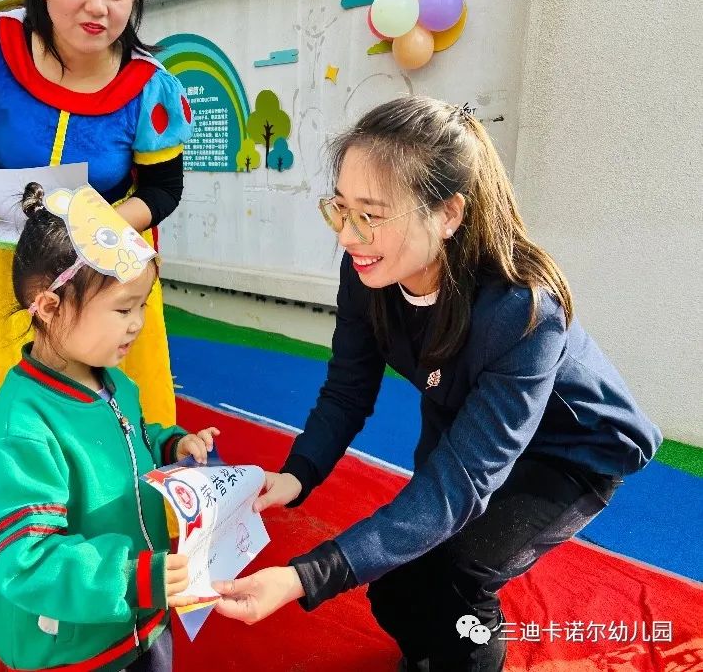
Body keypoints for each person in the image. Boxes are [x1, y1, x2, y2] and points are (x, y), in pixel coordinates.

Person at [212, 96, 662, 671]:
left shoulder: (522, 311)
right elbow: (347, 389)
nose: (348, 236)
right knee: (395, 587)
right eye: (340, 209)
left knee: (457, 580)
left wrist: (309, 575)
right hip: (467, 413)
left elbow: (460, 483)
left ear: (448, 214)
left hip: (570, 449)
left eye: (370, 214)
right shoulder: (368, 273)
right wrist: (297, 475)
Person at [0, 0, 193, 542]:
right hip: (6, 266)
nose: (99, 7)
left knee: (111, 392)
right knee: (14, 398)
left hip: (104, 269)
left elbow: (164, 189)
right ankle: (13, 532)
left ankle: (118, 525)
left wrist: (96, 229)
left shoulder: (148, 86)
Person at [0, 183, 217, 671]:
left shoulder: (115, 383)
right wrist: (130, 580)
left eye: (142, 305)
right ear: (49, 306)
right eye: (123, 308)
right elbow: (26, 556)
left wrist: (171, 446)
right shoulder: (24, 427)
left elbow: (132, 438)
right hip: (74, 646)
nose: (137, 323)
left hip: (140, 613)